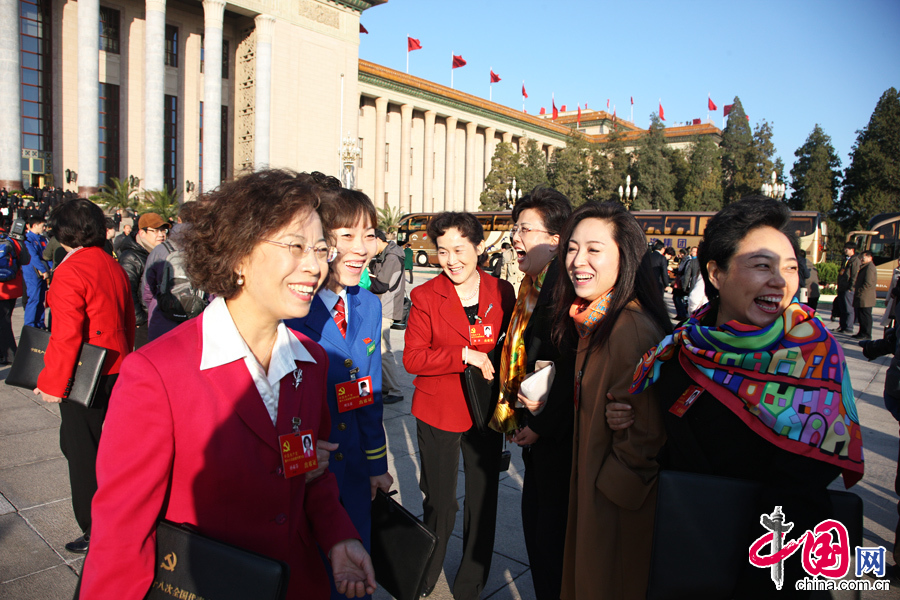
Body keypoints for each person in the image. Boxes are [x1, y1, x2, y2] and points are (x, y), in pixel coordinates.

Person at [78, 169, 376, 599]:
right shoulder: (157, 374)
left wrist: (338, 536)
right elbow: (122, 536)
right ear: (237, 255)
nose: (315, 265)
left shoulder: (310, 363)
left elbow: (306, 470)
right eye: (295, 246)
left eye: (320, 248)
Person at [627, 196, 864, 597]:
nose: (781, 281)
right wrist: (629, 418)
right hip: (681, 555)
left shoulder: (814, 360)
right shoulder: (684, 348)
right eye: (762, 266)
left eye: (790, 268)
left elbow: (800, 497)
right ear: (716, 274)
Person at [554, 202, 671, 600]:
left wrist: (609, 493)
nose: (577, 261)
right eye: (572, 248)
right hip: (593, 492)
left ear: (626, 257)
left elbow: (645, 433)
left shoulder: (629, 328)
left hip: (614, 507)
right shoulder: (595, 320)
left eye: (593, 249)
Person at [286, 184, 392, 600]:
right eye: (346, 235)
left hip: (353, 472)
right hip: (309, 472)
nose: (361, 247)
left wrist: (376, 464)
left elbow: (368, 391)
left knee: (355, 577)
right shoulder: (294, 306)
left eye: (368, 235)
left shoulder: (368, 304)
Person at [403, 212, 516, 600]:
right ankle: (425, 573)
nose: (451, 259)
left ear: (479, 247)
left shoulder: (502, 292)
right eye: (442, 250)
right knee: (440, 503)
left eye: (459, 249)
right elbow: (413, 359)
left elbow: (508, 351)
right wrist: (464, 354)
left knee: (483, 501)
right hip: (439, 409)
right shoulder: (424, 296)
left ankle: (471, 584)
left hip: (485, 410)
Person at [33, 199, 135, 555]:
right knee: (102, 449)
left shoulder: (70, 269)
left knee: (82, 453)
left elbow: (66, 335)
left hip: (86, 373)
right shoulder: (110, 263)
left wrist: (52, 383)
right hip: (116, 366)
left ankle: (96, 528)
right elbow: (127, 319)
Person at [489, 188, 575, 600]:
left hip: (557, 438)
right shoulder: (531, 286)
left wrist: (540, 424)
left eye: (524, 229)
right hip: (536, 426)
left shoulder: (563, 289)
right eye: (515, 228)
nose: (514, 238)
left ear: (556, 239)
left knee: (549, 539)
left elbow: (569, 366)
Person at [143, 202, 202, 341]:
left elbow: (147, 292)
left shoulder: (160, 250)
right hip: (196, 323)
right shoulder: (207, 249)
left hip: (162, 322)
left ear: (179, 219)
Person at [117, 213, 169, 348]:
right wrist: (140, 320)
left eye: (163, 230)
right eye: (156, 230)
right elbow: (127, 290)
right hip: (142, 325)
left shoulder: (159, 253)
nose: (161, 235)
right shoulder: (131, 256)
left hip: (156, 319)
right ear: (142, 233)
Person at [368, 229, 405, 404]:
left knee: (384, 350)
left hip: (385, 309)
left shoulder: (391, 257)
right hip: (380, 308)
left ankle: (395, 390)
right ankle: (385, 385)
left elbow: (381, 285)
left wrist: (366, 277)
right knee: (377, 349)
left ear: (377, 240)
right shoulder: (385, 255)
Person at [0, 224, 29, 364]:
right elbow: (26, 260)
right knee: (5, 320)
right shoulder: (14, 239)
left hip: (2, 290)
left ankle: (10, 355)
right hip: (13, 286)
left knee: (3, 323)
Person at [22, 216, 50, 329]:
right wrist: (44, 270)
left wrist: (50, 269)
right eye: (42, 225)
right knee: (34, 299)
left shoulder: (42, 239)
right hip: (32, 273)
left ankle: (40, 323)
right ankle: (30, 325)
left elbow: (47, 255)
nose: (44, 228)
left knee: (41, 299)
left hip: (43, 273)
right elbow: (33, 257)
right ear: (34, 225)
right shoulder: (27, 239)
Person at [836, 241, 860, 333]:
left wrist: (851, 287)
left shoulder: (855, 260)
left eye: (847, 249)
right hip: (842, 286)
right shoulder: (846, 259)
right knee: (842, 308)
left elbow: (854, 275)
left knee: (848, 308)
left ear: (852, 250)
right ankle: (842, 326)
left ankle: (849, 327)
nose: (845, 250)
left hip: (848, 288)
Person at [853, 250, 877, 340]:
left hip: (866, 296)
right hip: (862, 295)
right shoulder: (865, 266)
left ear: (870, 257)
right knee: (861, 315)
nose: (862, 259)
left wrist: (860, 291)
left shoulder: (870, 267)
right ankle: (861, 332)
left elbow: (868, 282)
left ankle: (866, 334)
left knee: (865, 315)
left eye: (863, 257)